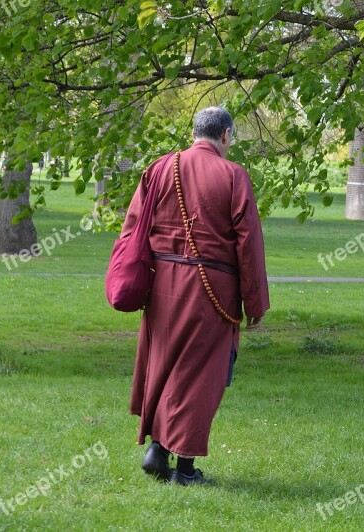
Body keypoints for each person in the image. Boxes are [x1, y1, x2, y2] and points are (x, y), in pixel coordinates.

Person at [120, 107, 269, 485]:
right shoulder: (233, 175)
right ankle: (184, 471)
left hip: (162, 287)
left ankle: (157, 450)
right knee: (200, 376)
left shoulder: (159, 168)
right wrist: (255, 302)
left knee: (164, 367)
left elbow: (133, 228)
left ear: (194, 133)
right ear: (226, 136)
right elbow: (248, 244)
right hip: (210, 290)